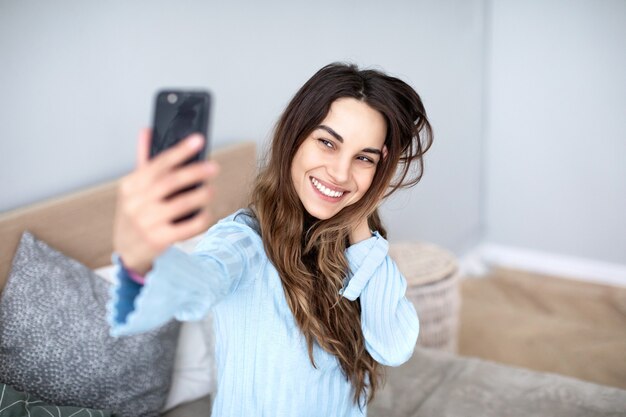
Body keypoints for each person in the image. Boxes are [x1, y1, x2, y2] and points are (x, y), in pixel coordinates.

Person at [109, 62, 433, 416]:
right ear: (295, 137)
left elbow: (394, 347)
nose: (341, 173)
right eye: (327, 142)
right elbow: (196, 283)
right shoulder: (244, 241)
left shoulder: (356, 248)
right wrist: (140, 257)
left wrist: (360, 219)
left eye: (363, 158)